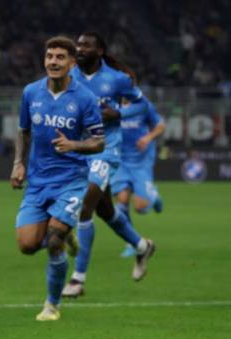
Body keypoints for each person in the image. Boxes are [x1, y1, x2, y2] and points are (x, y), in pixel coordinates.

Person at [12, 36, 105, 321]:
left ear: (72, 63)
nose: (53, 61)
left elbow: (99, 142)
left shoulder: (85, 99)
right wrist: (18, 163)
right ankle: (67, 236)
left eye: (60, 57)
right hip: (38, 182)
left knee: (53, 240)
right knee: (27, 245)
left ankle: (52, 305)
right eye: (50, 56)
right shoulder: (31, 93)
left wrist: (74, 145)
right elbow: (23, 131)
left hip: (72, 180)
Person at [62, 32, 156, 299]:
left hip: (106, 150)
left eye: (86, 45)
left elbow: (144, 106)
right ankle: (141, 246)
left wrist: (119, 113)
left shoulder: (117, 79)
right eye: (77, 44)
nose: (79, 48)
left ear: (99, 51)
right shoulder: (69, 77)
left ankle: (78, 279)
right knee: (106, 211)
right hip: (79, 151)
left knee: (86, 206)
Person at [111, 97, 166, 257]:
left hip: (141, 161)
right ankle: (132, 241)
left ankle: (153, 196)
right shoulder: (112, 105)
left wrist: (148, 137)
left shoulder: (143, 105)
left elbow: (160, 125)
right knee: (121, 200)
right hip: (120, 160)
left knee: (140, 207)